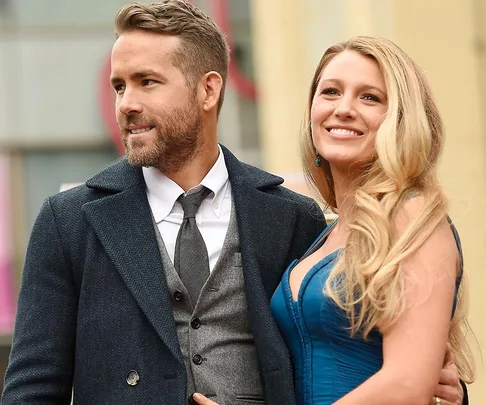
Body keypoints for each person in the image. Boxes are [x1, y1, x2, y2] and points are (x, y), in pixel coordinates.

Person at [1, 1, 467, 404]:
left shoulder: (292, 217)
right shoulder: (69, 221)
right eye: (119, 85)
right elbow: (33, 388)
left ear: (209, 89)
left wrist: (441, 388)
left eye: (147, 82)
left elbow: (339, 355)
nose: (126, 103)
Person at [192, 36, 474, 405]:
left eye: (369, 97)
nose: (343, 108)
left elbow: (407, 385)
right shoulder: (321, 233)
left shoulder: (413, 214)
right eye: (330, 92)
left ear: (403, 120)